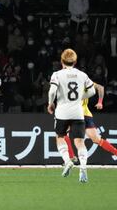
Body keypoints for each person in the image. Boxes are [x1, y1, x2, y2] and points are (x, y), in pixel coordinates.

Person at [47, 49, 95, 183]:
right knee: (79, 141)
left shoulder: (57, 74)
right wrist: (80, 97)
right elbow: (92, 91)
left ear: (62, 61)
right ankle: (83, 167)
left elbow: (52, 91)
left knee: (60, 137)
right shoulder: (82, 75)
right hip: (78, 112)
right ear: (75, 61)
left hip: (62, 111)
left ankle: (67, 161)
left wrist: (50, 103)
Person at [64, 83, 117, 160]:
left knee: (63, 133)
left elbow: (100, 87)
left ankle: (71, 157)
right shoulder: (85, 81)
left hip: (75, 114)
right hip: (86, 115)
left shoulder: (72, 82)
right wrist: (100, 102)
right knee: (97, 139)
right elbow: (100, 87)